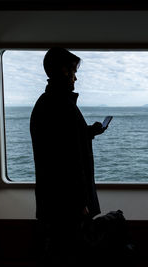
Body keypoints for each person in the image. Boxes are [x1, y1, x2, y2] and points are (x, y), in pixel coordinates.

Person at [30, 47, 107, 266]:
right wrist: (80, 202)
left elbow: (65, 142)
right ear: (63, 71)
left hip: (54, 200)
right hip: (65, 204)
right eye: (73, 71)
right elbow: (66, 161)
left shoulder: (48, 102)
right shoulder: (60, 106)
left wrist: (89, 131)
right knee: (69, 256)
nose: (76, 77)